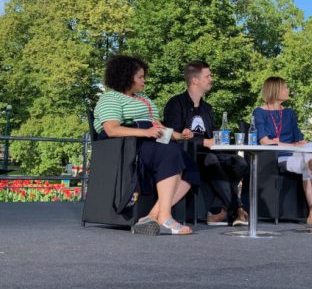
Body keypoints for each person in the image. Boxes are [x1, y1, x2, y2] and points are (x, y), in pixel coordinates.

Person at [93, 55, 200, 236]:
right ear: (127, 77)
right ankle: (166, 217)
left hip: (151, 140)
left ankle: (152, 216)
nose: (144, 81)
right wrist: (145, 132)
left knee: (190, 167)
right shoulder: (110, 99)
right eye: (140, 77)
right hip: (127, 146)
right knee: (171, 153)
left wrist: (180, 135)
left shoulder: (144, 99)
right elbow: (111, 129)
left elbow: (158, 127)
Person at [163, 60, 249, 226]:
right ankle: (237, 210)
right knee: (211, 160)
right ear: (195, 80)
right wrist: (204, 141)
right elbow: (173, 136)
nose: (211, 79)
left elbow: (212, 135)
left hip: (210, 152)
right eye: (208, 76)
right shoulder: (176, 103)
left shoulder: (207, 108)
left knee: (239, 162)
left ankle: (217, 210)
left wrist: (217, 141)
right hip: (188, 153)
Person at [253, 76, 312, 227]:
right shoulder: (259, 112)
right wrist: (292, 146)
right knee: (308, 164)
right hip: (277, 157)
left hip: (298, 154)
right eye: (285, 87)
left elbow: (299, 139)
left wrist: (300, 144)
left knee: (310, 148)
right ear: (275, 90)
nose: (288, 90)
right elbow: (264, 141)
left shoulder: (289, 113)